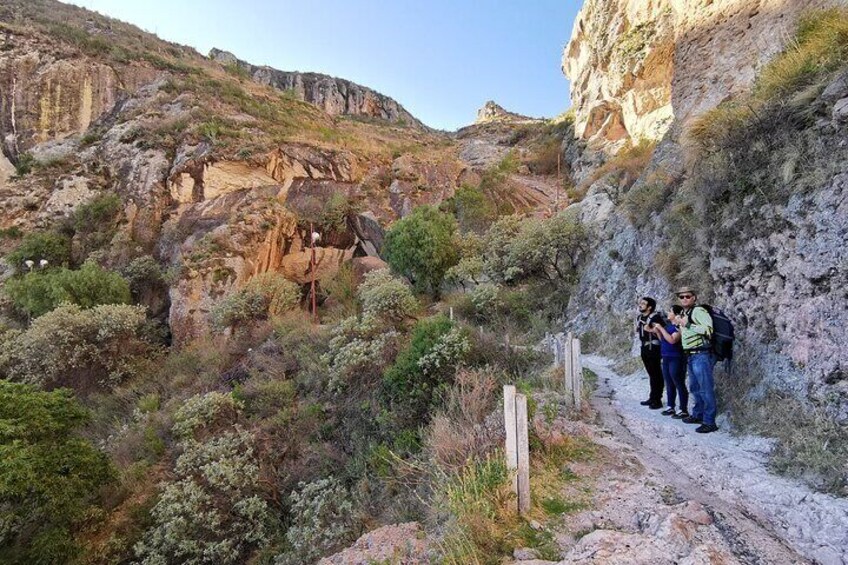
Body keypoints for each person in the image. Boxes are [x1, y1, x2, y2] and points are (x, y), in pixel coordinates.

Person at [676, 287, 718, 433]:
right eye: (681, 297)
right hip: (691, 355)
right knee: (694, 387)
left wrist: (687, 324)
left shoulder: (699, 311)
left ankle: (709, 422)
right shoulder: (684, 314)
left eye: (688, 296)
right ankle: (698, 414)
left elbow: (708, 330)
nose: (684, 299)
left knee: (705, 389)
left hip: (701, 354)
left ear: (694, 297)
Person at [649, 305, 688, 419]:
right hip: (666, 357)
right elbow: (663, 340)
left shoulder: (679, 326)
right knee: (669, 382)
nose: (668, 313)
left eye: (670, 311)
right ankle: (671, 406)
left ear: (676, 314)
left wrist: (661, 329)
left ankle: (683, 409)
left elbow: (672, 340)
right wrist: (658, 332)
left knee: (678, 382)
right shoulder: (668, 326)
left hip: (676, 357)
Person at [635, 297, 664, 409]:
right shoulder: (640, 317)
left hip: (654, 348)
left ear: (649, 307)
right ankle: (652, 397)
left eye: (643, 304)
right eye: (641, 303)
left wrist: (651, 330)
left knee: (656, 374)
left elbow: (662, 333)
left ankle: (657, 400)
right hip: (644, 348)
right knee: (651, 374)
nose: (640, 305)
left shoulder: (655, 317)